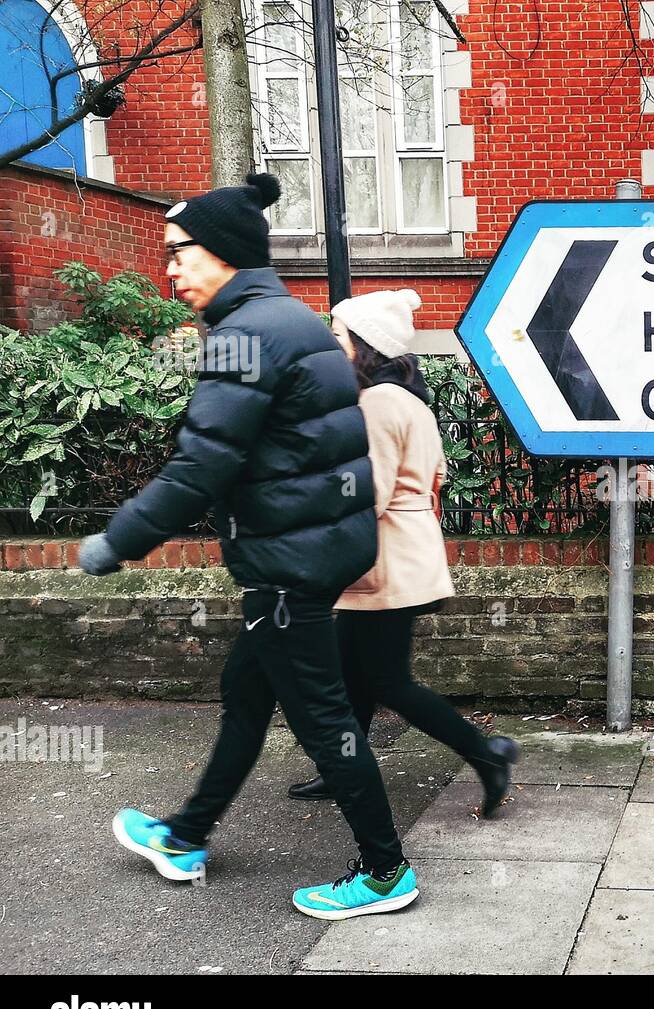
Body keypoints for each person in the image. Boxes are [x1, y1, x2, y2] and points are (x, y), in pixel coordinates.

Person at [81, 173, 418, 920]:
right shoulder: (291, 320)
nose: (169, 267)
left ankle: (386, 869)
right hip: (317, 548)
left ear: (223, 252)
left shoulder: (243, 337)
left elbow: (201, 465)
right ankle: (186, 835)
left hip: (288, 564)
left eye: (179, 253)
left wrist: (117, 541)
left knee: (326, 719)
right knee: (245, 692)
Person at [285, 288, 519, 815]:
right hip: (398, 558)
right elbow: (431, 480)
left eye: (338, 335)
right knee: (354, 674)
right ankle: (343, 768)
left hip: (384, 564)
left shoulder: (377, 404)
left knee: (388, 681)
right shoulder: (408, 401)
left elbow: (369, 492)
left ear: (363, 346)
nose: (331, 344)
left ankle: (486, 755)